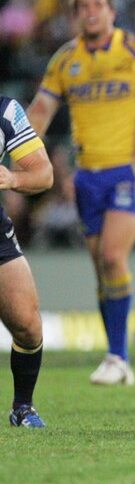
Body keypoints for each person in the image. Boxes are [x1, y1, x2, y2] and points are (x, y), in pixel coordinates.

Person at [27, 0, 135, 386]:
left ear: (113, 12)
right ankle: (117, 359)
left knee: (113, 257)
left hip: (131, 172)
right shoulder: (66, 60)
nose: (91, 12)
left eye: (98, 5)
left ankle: (118, 356)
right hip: (87, 178)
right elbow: (41, 112)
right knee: (102, 269)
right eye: (83, 6)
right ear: (77, 14)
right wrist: (20, 155)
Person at [0, 95, 54, 427]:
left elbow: (44, 174)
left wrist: (13, 179)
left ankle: (22, 407)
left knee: (28, 326)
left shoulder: (6, 110)